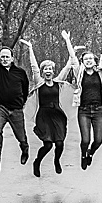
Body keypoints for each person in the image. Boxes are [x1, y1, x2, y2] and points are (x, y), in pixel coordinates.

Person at [20, 31, 77, 177]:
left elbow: (69, 65)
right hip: (44, 116)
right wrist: (31, 48)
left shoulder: (58, 81)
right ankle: (37, 162)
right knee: (47, 144)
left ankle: (57, 161)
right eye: (46, 69)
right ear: (43, 71)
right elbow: (33, 66)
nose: (48, 71)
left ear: (53, 71)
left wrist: (70, 47)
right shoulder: (39, 83)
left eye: (50, 69)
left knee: (59, 143)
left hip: (58, 115)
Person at [64, 30, 102, 170]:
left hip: (98, 110)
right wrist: (68, 40)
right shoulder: (79, 73)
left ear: (94, 61)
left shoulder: (100, 72)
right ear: (83, 62)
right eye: (86, 59)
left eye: (91, 59)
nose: (88, 61)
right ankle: (83, 154)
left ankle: (90, 153)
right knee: (85, 140)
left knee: (98, 140)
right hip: (84, 110)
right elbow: (73, 58)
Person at [0, 29, 30, 173]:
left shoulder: (20, 73)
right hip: (1, 108)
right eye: (2, 57)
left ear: (12, 58)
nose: (4, 59)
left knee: (21, 136)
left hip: (16, 109)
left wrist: (21, 103)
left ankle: (25, 149)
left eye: (7, 57)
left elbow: (25, 89)